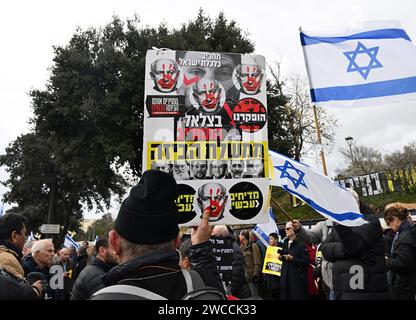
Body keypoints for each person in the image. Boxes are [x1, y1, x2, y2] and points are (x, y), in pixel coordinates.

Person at [90, 169, 225, 300]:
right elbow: (216, 290)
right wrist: (201, 247)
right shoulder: (203, 285)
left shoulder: (102, 297)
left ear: (114, 242)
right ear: (177, 241)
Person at [320, 203, 389, 300]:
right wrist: (346, 249)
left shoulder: (369, 220)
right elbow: (324, 249)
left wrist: (344, 248)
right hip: (342, 288)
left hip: (364, 289)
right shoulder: (341, 223)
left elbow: (354, 246)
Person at [0, 213, 43, 299]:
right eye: (24, 233)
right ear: (14, 236)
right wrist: (35, 290)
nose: (26, 238)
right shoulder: (7, 260)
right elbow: (15, 294)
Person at [384, 206, 416, 300]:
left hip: (404, 287)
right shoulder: (410, 231)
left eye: (389, 223)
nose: (390, 227)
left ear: (395, 219)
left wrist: (386, 261)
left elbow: (402, 263)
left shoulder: (405, 235)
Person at [211, 225, 251, 299]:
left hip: (237, 296)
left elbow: (236, 277)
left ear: (220, 236)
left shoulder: (233, 249)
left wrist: (225, 294)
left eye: (213, 236)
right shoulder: (224, 247)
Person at [280, 222, 310, 300]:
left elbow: (306, 262)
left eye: (288, 229)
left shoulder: (301, 244)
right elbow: (285, 257)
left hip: (297, 282)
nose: (285, 230)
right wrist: (281, 257)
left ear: (294, 229)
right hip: (285, 280)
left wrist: (292, 259)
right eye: (285, 229)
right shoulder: (285, 242)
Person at [239, 229, 262, 296]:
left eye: (240, 235)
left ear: (243, 236)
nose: (239, 236)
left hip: (252, 277)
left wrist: (255, 275)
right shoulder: (241, 247)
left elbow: (257, 262)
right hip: (244, 277)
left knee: (255, 294)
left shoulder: (253, 246)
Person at [263, 232, 282, 300]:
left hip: (277, 279)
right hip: (269, 279)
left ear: (276, 240)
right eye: (269, 239)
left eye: (271, 239)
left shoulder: (280, 250)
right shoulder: (268, 249)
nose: (269, 240)